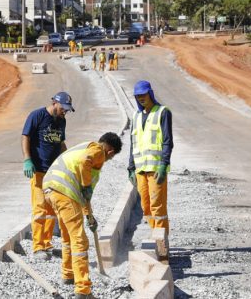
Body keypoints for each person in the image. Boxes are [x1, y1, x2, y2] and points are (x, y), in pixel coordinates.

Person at [43, 132, 122, 299]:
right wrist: (86, 186)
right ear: (110, 151)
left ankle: (68, 274)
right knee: (80, 241)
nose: (107, 160)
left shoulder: (85, 146)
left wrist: (89, 216)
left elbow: (85, 195)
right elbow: (84, 163)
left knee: (67, 236)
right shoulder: (98, 151)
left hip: (52, 190)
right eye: (111, 157)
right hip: (64, 193)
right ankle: (83, 290)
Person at [22, 92, 73, 259]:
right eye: (63, 109)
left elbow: (61, 143)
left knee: (51, 210)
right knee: (39, 208)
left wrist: (67, 162)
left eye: (67, 110)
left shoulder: (62, 121)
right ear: (55, 103)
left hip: (53, 173)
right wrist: (27, 160)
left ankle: (47, 244)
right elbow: (25, 137)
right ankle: (38, 247)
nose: (65, 112)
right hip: (38, 171)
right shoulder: (37, 115)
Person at [127, 80, 173, 230]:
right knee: (145, 206)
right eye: (138, 96)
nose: (141, 98)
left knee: (157, 206)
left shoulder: (163, 112)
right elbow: (132, 143)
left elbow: (167, 141)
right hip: (140, 169)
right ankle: (155, 234)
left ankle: (161, 244)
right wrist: (131, 168)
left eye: (143, 95)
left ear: (150, 94)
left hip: (156, 169)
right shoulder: (135, 116)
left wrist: (164, 164)